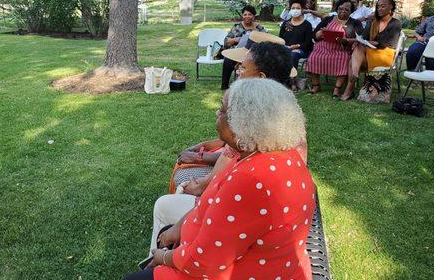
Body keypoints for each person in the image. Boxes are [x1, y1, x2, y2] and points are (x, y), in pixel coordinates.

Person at [124, 79, 316, 280]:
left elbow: (204, 263)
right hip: (269, 264)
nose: (217, 114)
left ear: (242, 124)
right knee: (165, 234)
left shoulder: (251, 181)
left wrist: (164, 257)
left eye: (222, 111)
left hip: (239, 272)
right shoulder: (274, 155)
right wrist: (179, 230)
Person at [170, 36, 298, 194]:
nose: (237, 71)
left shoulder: (264, 118)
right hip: (246, 184)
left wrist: (200, 175)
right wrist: (202, 149)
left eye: (243, 68)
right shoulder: (277, 107)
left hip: (245, 191)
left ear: (261, 78)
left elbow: (233, 155)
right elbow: (231, 148)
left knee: (168, 201)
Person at [340, 0, 402, 100]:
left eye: (383, 6)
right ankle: (353, 77)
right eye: (378, 6)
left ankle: (350, 85)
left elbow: (387, 43)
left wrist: (362, 42)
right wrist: (358, 41)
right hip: (369, 52)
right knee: (358, 47)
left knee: (355, 55)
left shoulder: (395, 23)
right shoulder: (373, 21)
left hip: (385, 53)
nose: (380, 9)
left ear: (391, 7)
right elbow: (363, 36)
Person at [306, 0, 363, 97]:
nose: (343, 11)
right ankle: (316, 86)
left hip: (342, 49)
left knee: (343, 59)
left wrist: (346, 41)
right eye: (341, 8)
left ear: (351, 12)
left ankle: (337, 89)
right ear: (337, 8)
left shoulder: (355, 23)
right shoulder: (328, 19)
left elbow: (360, 38)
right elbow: (315, 35)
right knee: (314, 57)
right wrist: (318, 34)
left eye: (346, 10)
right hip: (323, 47)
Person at [221, 5, 266, 90]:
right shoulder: (237, 27)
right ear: (242, 16)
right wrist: (235, 39)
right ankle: (224, 85)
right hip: (237, 53)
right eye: (245, 14)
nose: (247, 16)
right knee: (228, 60)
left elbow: (267, 40)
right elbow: (226, 42)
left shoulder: (259, 28)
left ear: (254, 16)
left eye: (250, 14)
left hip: (253, 54)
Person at [279, 0, 313, 90]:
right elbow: (280, 39)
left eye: (298, 8)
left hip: (300, 50)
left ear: (302, 10)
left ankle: (292, 81)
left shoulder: (307, 25)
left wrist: (296, 46)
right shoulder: (286, 24)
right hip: (286, 48)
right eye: (293, 8)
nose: (295, 10)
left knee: (293, 55)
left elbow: (308, 43)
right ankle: (277, 79)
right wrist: (284, 46)